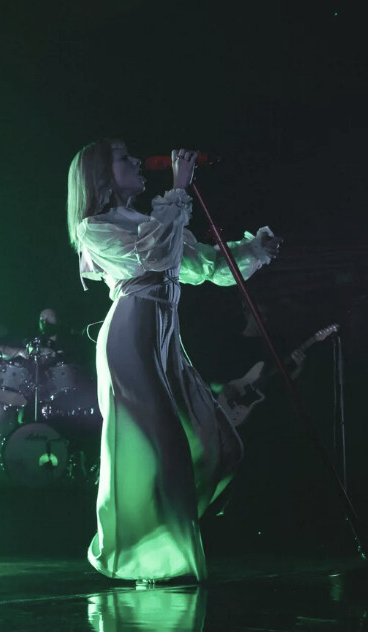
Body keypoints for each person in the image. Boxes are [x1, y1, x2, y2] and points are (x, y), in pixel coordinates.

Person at [67, 139, 281, 584]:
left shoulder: (153, 220)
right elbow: (154, 258)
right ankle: (167, 561)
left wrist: (253, 250)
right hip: (131, 337)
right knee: (167, 451)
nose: (137, 161)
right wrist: (179, 189)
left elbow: (205, 267)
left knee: (222, 447)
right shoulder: (95, 227)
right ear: (101, 175)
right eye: (124, 158)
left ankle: (159, 536)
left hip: (164, 339)